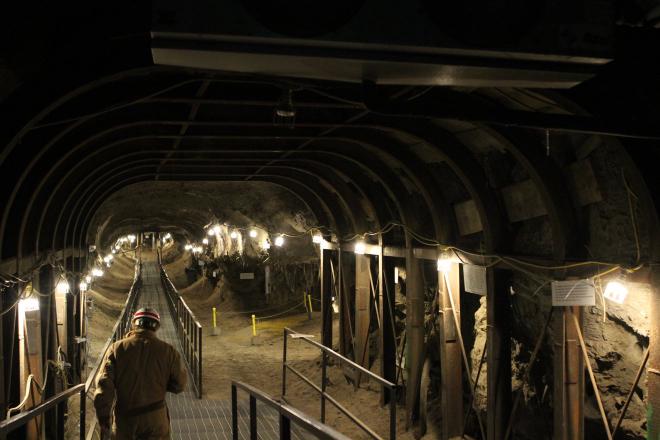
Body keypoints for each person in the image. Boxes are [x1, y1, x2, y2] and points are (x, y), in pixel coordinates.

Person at [93, 307, 187, 439]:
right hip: (156, 419)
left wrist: (104, 418)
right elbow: (180, 385)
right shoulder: (168, 351)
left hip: (125, 420)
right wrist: (163, 383)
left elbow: (104, 386)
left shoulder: (116, 349)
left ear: (134, 324)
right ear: (156, 326)